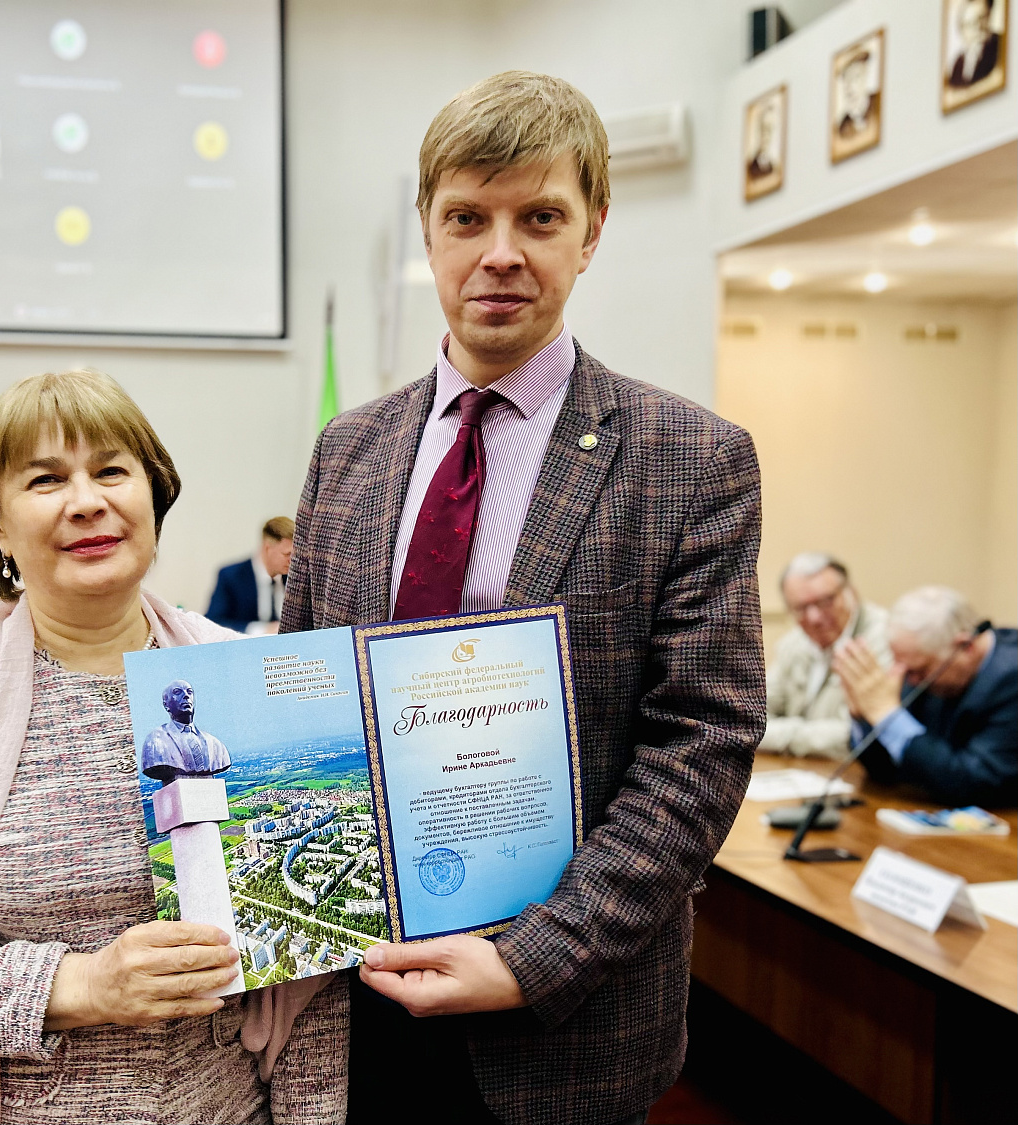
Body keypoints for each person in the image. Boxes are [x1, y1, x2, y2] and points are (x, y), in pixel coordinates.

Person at [281, 71, 765, 1125]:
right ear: (429, 230)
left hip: (563, 1021)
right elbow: (300, 697)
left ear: (591, 231)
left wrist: (536, 959)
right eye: (468, 217)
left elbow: (703, 743)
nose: (501, 251)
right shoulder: (347, 450)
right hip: (352, 996)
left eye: (539, 217)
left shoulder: (692, 458)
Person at [0, 370, 346, 1124]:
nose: (87, 500)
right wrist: (82, 986)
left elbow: (315, 971)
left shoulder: (244, 682)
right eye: (46, 479)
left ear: (153, 494)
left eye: (113, 470)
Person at [836, 586, 1017, 807]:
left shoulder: (1011, 677)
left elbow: (978, 783)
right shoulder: (929, 666)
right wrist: (865, 718)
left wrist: (887, 717)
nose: (910, 680)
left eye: (919, 671)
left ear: (965, 647)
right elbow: (888, 770)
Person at [761, 552, 890, 758]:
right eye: (801, 608)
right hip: (801, 773)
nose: (814, 617)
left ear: (851, 593)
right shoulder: (793, 642)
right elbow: (752, 717)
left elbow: (853, 735)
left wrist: (781, 735)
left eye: (825, 601)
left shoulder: (884, 639)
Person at [206, 517, 294, 634]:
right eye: (287, 554)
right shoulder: (231, 576)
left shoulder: (295, 577)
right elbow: (213, 623)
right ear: (267, 548)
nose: (292, 561)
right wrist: (261, 630)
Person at [949, 0, 1002, 88]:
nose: (978, 27)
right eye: (971, 23)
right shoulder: (958, 63)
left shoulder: (1000, 45)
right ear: (963, 31)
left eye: (982, 18)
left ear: (989, 16)